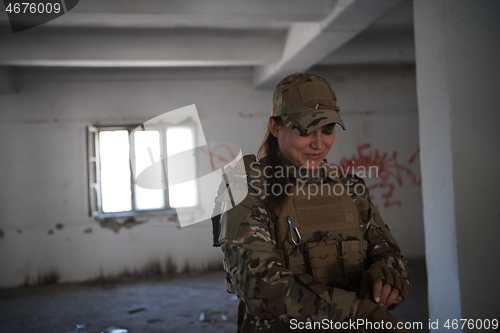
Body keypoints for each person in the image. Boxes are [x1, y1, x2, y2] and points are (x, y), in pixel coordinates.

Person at [213, 72, 411, 333]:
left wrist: (386, 278)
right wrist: (355, 310)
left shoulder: (350, 188)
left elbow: (389, 254)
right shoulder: (244, 188)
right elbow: (258, 284)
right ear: (275, 127)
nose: (319, 143)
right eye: (304, 130)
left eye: (327, 130)